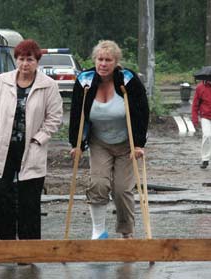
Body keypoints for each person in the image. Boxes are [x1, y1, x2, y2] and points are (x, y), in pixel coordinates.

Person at [0, 39, 63, 240]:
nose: (25, 64)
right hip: (2, 147)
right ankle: (7, 242)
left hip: (31, 148)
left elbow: (55, 117)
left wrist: (39, 138)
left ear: (37, 61)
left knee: (29, 201)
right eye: (21, 59)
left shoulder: (48, 85)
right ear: (15, 60)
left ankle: (29, 249)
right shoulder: (2, 81)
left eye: (30, 60)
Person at [69, 40, 149, 239]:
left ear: (116, 62)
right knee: (98, 184)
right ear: (94, 60)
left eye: (108, 60)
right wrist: (76, 144)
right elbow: (76, 113)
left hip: (126, 142)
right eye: (100, 59)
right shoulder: (84, 81)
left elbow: (141, 111)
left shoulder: (128, 80)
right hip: (99, 142)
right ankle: (98, 231)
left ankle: (126, 232)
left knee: (122, 190)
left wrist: (139, 144)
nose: (103, 64)